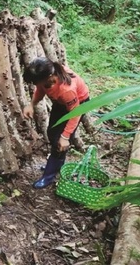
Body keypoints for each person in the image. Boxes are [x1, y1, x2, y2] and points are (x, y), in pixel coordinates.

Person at [22, 57, 90, 189]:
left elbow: (76, 113)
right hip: (61, 105)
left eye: (37, 82)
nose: (36, 85)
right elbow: (41, 89)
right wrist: (31, 104)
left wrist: (65, 137)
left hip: (77, 106)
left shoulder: (66, 90)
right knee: (52, 133)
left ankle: (49, 174)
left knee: (60, 141)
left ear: (49, 77)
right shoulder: (47, 79)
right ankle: (56, 164)